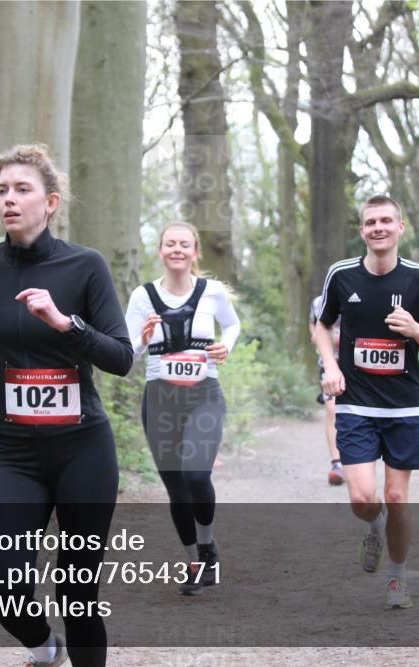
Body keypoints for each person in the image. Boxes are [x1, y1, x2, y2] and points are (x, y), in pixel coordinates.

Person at [0, 144, 132, 667]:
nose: (9, 199)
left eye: (22, 189)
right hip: (17, 454)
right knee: (3, 588)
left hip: (83, 451)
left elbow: (121, 357)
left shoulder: (85, 267)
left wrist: (65, 323)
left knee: (78, 595)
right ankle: (44, 649)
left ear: (50, 202)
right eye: (2, 190)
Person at [313, 194, 419, 610]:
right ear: (362, 230)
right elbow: (320, 324)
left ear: (400, 227)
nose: (378, 228)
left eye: (386, 220)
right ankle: (374, 529)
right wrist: (330, 367)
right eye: (371, 222)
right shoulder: (342, 275)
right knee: (362, 499)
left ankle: (397, 579)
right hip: (355, 404)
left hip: (404, 406)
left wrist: (414, 329)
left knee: (396, 497)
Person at [124, 222, 240, 595]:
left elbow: (233, 325)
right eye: (170, 243)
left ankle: (207, 545)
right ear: (160, 251)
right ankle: (193, 560)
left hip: (204, 393)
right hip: (160, 397)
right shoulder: (142, 296)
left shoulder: (213, 292)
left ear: (195, 252)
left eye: (184, 244)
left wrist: (227, 346)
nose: (177, 249)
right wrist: (142, 340)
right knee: (176, 488)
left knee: (194, 474)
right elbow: (126, 353)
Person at [309, 294, 345, 486]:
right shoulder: (318, 302)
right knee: (332, 409)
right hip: (330, 362)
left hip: (357, 363)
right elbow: (314, 327)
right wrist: (320, 335)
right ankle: (337, 463)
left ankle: (358, 463)